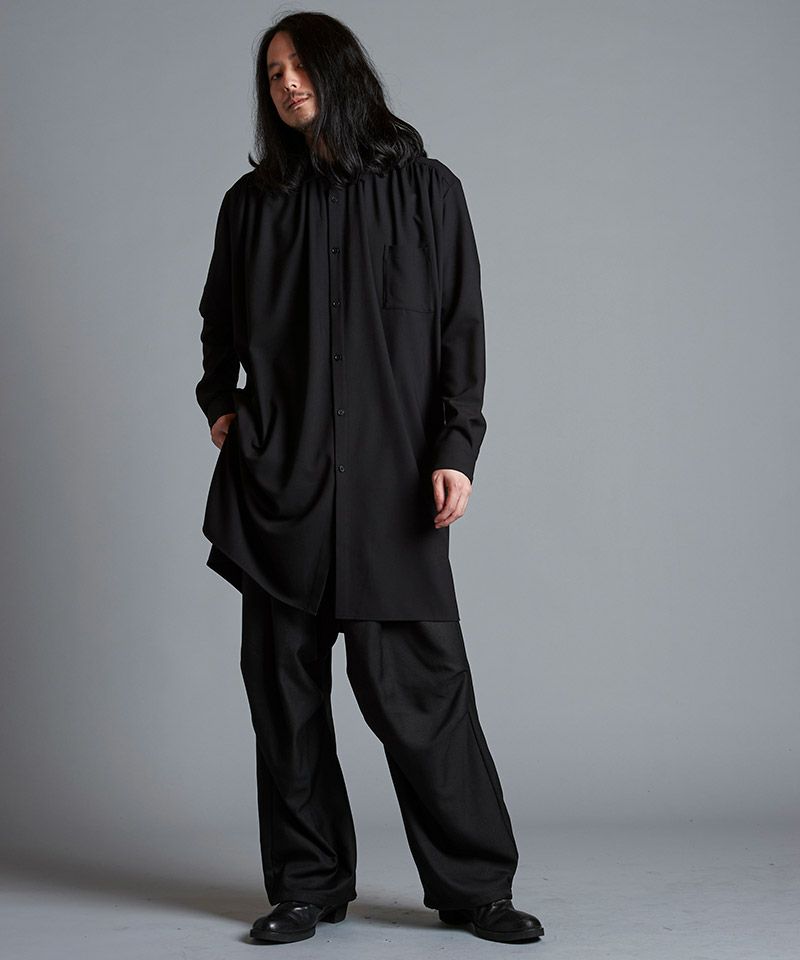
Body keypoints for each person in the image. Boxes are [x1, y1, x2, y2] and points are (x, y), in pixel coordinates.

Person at [195, 11, 545, 946]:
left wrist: (456, 447)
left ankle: (475, 889)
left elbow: (460, 332)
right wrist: (221, 402)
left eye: (300, 66)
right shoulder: (251, 205)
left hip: (394, 490)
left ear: (341, 71)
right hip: (279, 492)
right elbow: (219, 323)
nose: (286, 83)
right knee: (286, 700)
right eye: (272, 72)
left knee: (423, 696)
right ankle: (307, 886)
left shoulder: (429, 191)